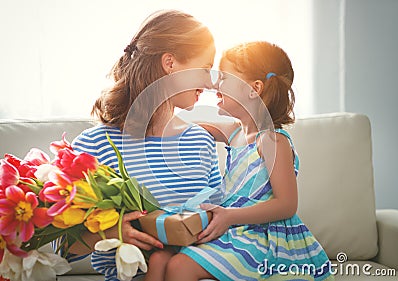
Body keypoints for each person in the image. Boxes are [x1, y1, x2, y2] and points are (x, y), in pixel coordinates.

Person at [53, 9, 223, 281]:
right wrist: (108, 233)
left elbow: (221, 220)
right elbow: (56, 249)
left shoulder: (201, 141)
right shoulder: (96, 145)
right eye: (204, 68)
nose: (211, 81)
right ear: (170, 63)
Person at [153, 41, 333, 280]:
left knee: (180, 266)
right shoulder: (234, 132)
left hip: (263, 238)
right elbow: (180, 125)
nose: (215, 84)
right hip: (235, 229)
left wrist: (229, 216)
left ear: (254, 89)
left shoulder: (272, 141)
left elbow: (287, 204)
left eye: (225, 78)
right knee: (159, 258)